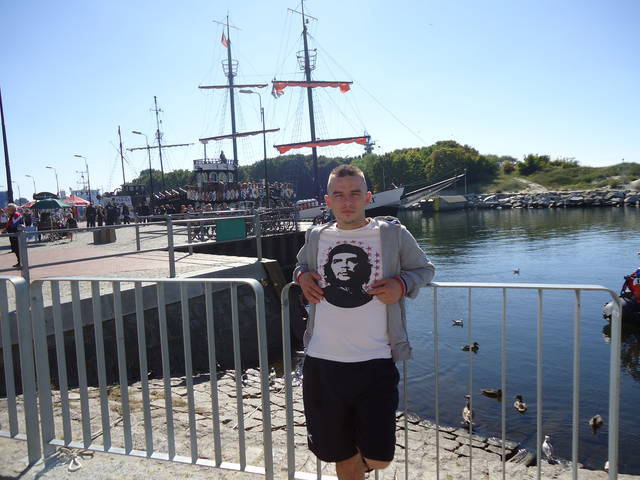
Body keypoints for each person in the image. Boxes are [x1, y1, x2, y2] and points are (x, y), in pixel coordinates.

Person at [294, 165, 435, 480]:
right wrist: (302, 276)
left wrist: (402, 284)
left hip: (375, 362)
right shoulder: (316, 236)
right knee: (338, 454)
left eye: (355, 194)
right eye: (339, 195)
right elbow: (300, 265)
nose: (347, 202)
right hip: (322, 362)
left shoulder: (392, 234)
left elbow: (425, 269)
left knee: (379, 457)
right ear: (327, 201)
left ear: (368, 198)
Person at [2, 203, 24, 268]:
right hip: (14, 235)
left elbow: (13, 225)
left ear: (12, 209)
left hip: (16, 235)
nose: (7, 210)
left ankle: (21, 263)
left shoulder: (16, 214)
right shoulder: (12, 215)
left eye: (8, 209)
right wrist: (6, 229)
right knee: (16, 249)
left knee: (18, 249)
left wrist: (6, 229)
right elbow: (11, 224)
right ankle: (20, 262)